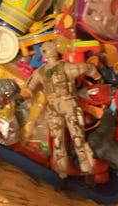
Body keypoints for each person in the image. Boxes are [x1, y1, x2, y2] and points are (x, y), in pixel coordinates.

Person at [21, 40, 101, 179]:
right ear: (56, 52)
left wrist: (25, 94)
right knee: (78, 137)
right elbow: (87, 67)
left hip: (53, 106)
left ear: (44, 55)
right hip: (68, 103)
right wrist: (97, 76)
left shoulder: (40, 72)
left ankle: (62, 174)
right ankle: (87, 169)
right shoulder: (66, 67)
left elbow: (28, 88)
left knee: (58, 141)